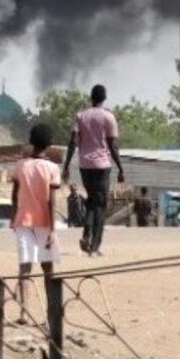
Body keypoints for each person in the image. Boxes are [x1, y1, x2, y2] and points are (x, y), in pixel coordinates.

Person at [62, 84, 124, 257]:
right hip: (102, 167)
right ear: (104, 98)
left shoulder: (80, 116)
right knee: (100, 206)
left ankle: (86, 236)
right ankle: (94, 246)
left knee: (91, 202)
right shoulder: (109, 117)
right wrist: (120, 168)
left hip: (85, 166)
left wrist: (66, 165)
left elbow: (73, 142)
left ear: (91, 97)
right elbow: (112, 145)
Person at [11, 123, 61, 323]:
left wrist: (12, 218)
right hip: (44, 223)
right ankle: (51, 314)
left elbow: (14, 195)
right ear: (50, 144)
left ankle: (24, 313)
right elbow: (51, 201)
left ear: (31, 141)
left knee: (25, 268)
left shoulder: (20, 166)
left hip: (23, 221)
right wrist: (53, 230)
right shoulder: (52, 168)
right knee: (48, 269)